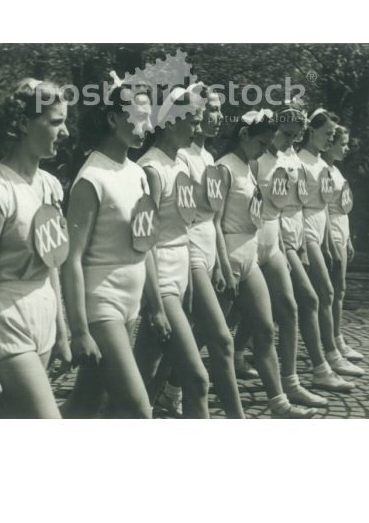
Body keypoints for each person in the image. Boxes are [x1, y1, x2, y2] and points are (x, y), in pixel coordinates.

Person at [60, 80, 170, 418]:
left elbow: (145, 245)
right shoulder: (91, 178)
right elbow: (71, 260)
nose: (147, 127)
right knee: (138, 410)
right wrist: (79, 331)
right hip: (101, 304)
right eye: (139, 117)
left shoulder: (137, 174)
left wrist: (157, 306)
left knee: (88, 403)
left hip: (131, 306)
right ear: (113, 119)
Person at [0, 78, 71, 418]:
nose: (66, 132)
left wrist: (62, 332)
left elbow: (52, 262)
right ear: (23, 124)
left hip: (43, 318)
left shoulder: (51, 186)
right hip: (8, 322)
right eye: (56, 122)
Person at [215, 108, 316, 418]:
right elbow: (214, 222)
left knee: (266, 327)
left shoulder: (250, 164)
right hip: (230, 258)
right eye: (262, 142)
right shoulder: (225, 167)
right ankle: (169, 388)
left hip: (255, 255)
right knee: (205, 336)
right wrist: (220, 267)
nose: (266, 148)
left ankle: (281, 402)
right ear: (245, 136)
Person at [168, 85, 245, 418]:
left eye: (218, 110)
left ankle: (166, 391)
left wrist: (224, 267)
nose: (217, 117)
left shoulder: (209, 158)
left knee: (171, 348)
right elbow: (181, 219)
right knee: (222, 340)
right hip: (190, 256)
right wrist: (196, 264)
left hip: (210, 254)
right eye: (210, 109)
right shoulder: (182, 157)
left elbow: (213, 219)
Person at [134, 86, 211, 418]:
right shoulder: (151, 169)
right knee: (197, 378)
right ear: (169, 121)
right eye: (191, 121)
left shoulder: (180, 163)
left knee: (146, 376)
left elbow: (185, 225)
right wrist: (155, 305)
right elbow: (145, 241)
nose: (196, 129)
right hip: (161, 277)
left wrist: (189, 284)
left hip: (181, 273)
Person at [297, 108, 364, 380]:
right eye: (327, 134)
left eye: (332, 135)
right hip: (303, 231)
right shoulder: (299, 161)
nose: (330, 139)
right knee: (323, 293)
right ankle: (330, 355)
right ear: (311, 131)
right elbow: (299, 206)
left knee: (308, 299)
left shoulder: (322, 165)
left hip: (321, 231)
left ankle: (240, 351)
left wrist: (327, 243)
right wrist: (308, 243)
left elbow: (324, 206)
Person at [321, 125, 364, 361]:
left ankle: (336, 337)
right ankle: (334, 341)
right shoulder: (323, 171)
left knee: (339, 290)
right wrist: (332, 241)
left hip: (341, 230)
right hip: (332, 233)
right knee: (333, 291)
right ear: (330, 143)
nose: (346, 149)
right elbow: (324, 209)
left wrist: (348, 238)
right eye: (343, 144)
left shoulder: (335, 170)